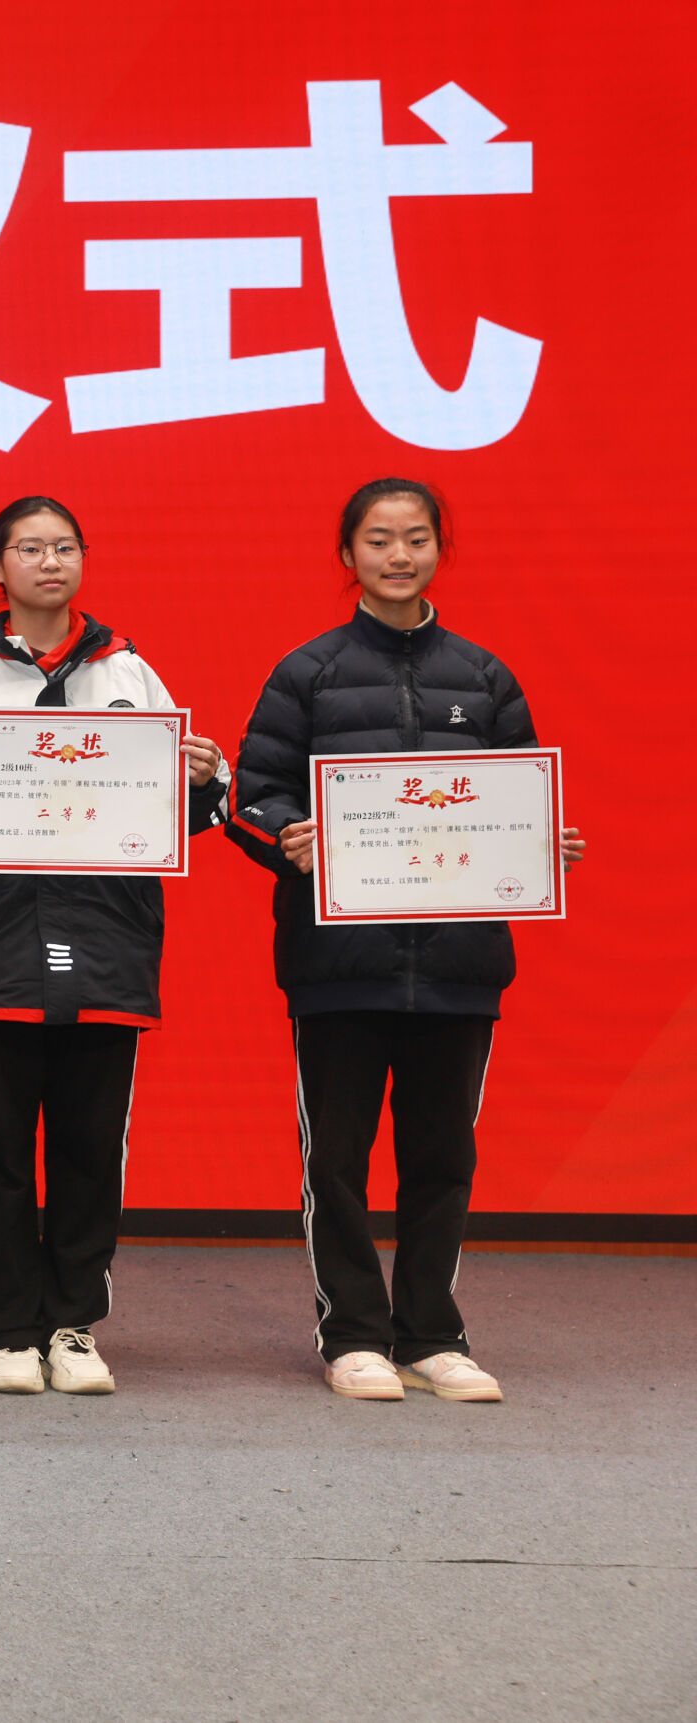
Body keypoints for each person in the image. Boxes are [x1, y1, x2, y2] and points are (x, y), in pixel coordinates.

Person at [229, 478, 585, 1404]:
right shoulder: (307, 672)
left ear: (439, 549)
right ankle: (352, 1334)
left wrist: (540, 845)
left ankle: (431, 1333)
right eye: (380, 539)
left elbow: (518, 797)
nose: (399, 555)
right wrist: (288, 835)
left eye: (417, 538)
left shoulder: (485, 676)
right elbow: (252, 796)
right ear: (347, 554)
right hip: (339, 964)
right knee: (337, 1161)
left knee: (443, 1159)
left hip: (460, 964)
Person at [0, 496, 226, 1395]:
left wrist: (202, 778)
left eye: (64, 546)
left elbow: (189, 812)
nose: (49, 561)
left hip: (108, 941)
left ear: (83, 561)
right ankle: (7, 1329)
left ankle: (73, 1325)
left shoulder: (130, 672)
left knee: (89, 1147)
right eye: (29, 548)